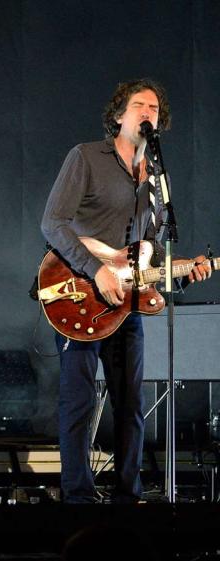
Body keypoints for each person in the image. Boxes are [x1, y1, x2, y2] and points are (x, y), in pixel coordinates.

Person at [41, 79, 211, 503]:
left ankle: (127, 495)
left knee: (130, 403)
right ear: (119, 115)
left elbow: (148, 255)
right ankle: (77, 497)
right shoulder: (86, 157)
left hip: (127, 305)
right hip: (79, 293)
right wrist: (96, 270)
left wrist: (186, 270)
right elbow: (53, 224)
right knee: (79, 403)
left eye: (154, 107)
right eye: (138, 104)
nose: (147, 111)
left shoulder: (155, 179)